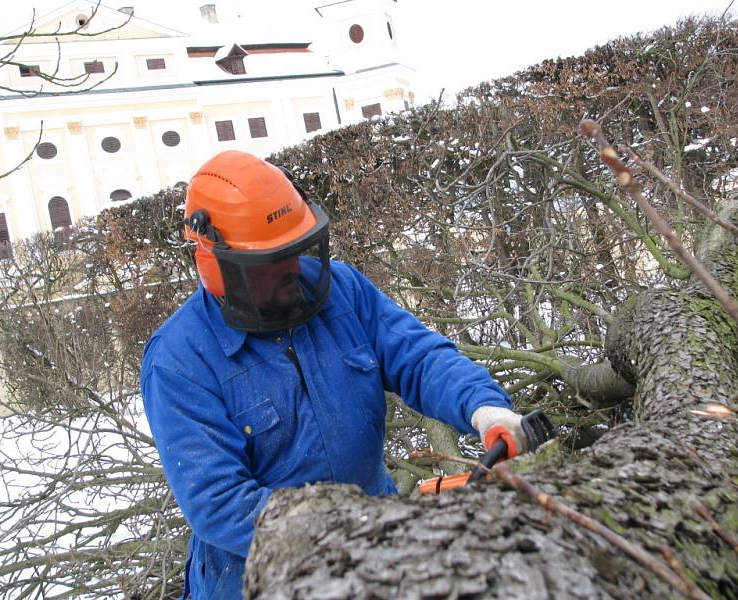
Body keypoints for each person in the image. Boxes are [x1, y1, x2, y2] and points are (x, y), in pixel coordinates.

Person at [140, 150, 531, 600]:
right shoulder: (179, 361)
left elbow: (418, 357)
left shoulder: (339, 290)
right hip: (260, 575)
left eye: (295, 250)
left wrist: (482, 407)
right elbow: (219, 503)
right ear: (218, 266)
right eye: (270, 262)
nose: (292, 270)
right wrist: (343, 528)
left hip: (374, 531)